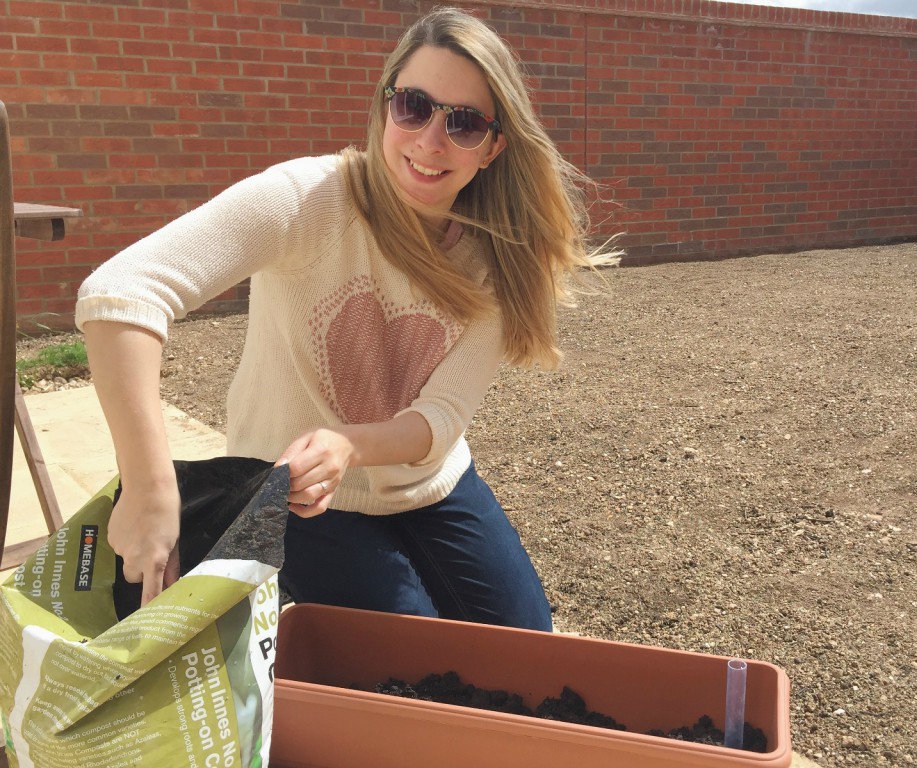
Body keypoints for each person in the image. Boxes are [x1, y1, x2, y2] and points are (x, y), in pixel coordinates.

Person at [76, 6, 619, 630]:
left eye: (465, 123)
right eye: (414, 106)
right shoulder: (306, 200)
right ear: (386, 105)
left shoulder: (499, 253)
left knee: (529, 642)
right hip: (295, 493)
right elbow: (122, 292)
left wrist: (347, 443)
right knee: (410, 663)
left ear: (495, 147)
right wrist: (148, 487)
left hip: (427, 482)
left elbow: (440, 420)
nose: (430, 140)